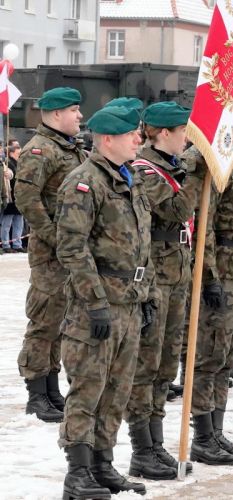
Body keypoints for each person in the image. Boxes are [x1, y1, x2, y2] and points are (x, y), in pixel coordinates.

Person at [56, 105, 150, 498]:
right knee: (88, 389)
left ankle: (102, 464)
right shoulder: (85, 181)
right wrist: (95, 302)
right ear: (108, 138)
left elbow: (140, 244)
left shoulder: (129, 179)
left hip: (129, 303)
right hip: (96, 305)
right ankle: (78, 473)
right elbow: (72, 248)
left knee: (117, 389)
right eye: (131, 134)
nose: (139, 139)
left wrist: (146, 295)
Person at [124, 101, 204, 479]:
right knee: (148, 364)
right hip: (155, 278)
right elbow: (175, 210)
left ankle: (156, 443)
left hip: (177, 274)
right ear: (164, 133)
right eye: (183, 131)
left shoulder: (173, 166)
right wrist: (197, 176)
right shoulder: (144, 169)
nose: (188, 137)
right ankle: (142, 448)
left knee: (167, 363)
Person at [183, 101, 233, 465]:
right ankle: (201, 435)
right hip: (224, 273)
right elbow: (206, 226)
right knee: (209, 356)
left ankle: (216, 430)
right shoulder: (217, 167)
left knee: (228, 357)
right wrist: (209, 276)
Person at [15, 87, 87, 423]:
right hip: (51, 254)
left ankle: (51, 388)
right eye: (74, 110)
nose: (80, 116)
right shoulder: (41, 149)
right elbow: (27, 200)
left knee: (60, 322)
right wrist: (56, 238)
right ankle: (36, 393)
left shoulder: (69, 148)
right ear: (57, 113)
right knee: (44, 322)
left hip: (69, 251)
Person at [2, 144, 25, 253]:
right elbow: (10, 175)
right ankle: (5, 244)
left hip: (20, 197)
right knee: (7, 223)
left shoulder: (19, 163)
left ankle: (17, 244)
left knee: (19, 223)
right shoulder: (8, 163)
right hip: (11, 197)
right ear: (11, 153)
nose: (20, 155)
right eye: (18, 153)